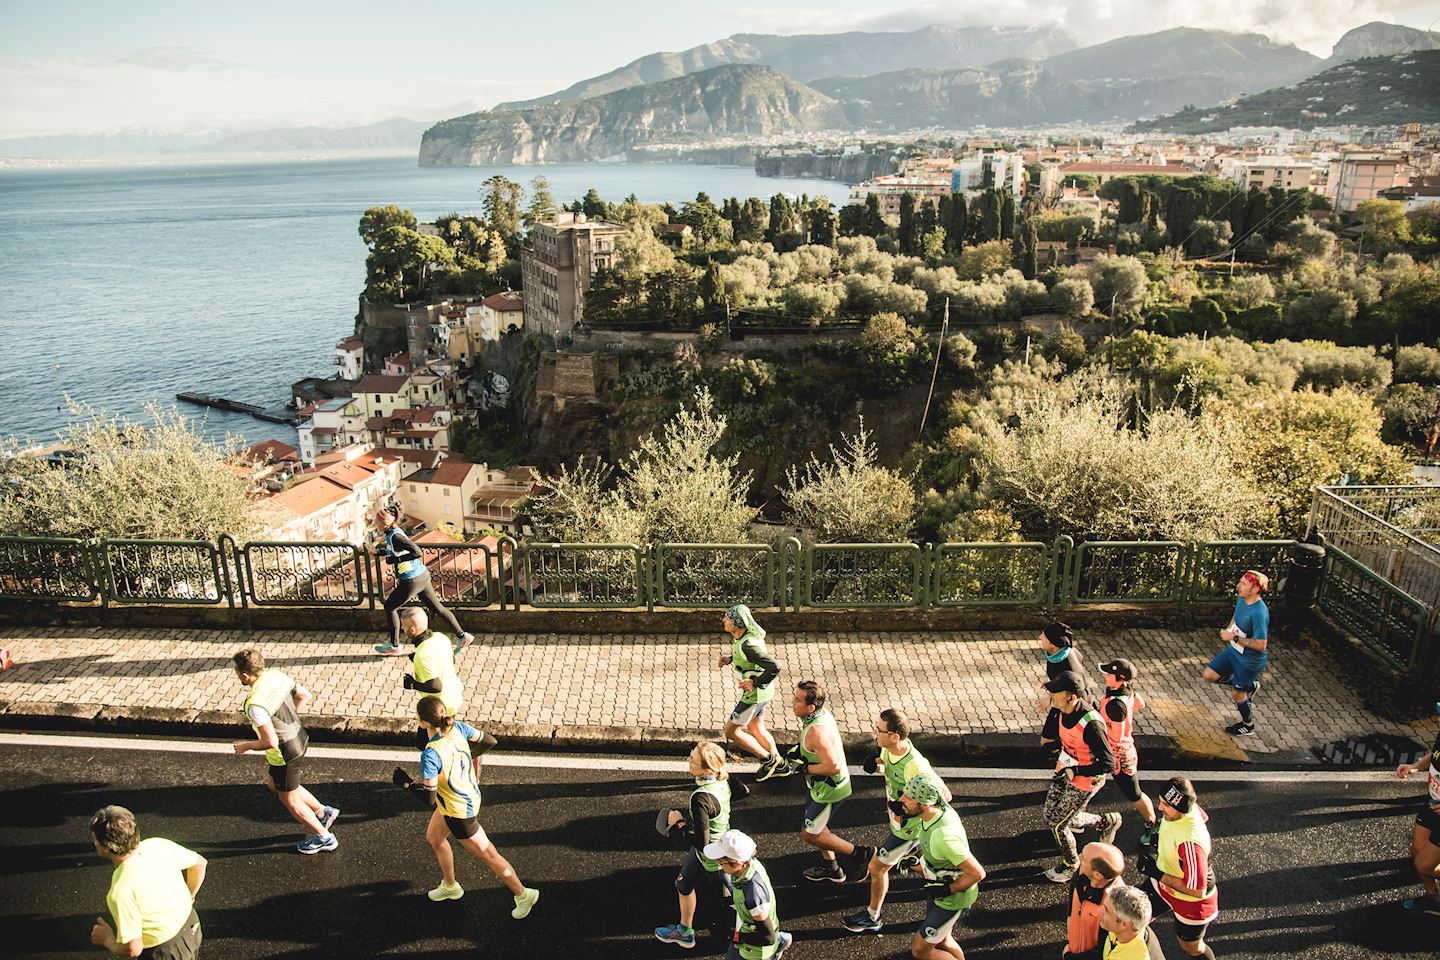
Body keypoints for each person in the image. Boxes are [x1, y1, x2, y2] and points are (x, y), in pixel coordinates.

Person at [392, 695, 539, 918]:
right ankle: (450, 886)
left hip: (459, 811)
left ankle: (522, 894)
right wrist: (468, 756)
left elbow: (429, 798)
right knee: (434, 838)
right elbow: (490, 741)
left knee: (489, 854)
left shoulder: (431, 754)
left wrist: (406, 784)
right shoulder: (458, 727)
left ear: (422, 722)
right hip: (459, 798)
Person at [843, 708, 951, 934]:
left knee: (877, 867)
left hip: (908, 829)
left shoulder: (915, 765)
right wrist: (877, 764)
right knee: (919, 865)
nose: (875, 734)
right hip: (900, 822)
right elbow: (887, 762)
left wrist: (904, 810)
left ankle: (873, 917)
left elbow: (943, 795)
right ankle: (949, 890)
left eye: (879, 730)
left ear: (894, 736)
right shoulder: (889, 748)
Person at [230, 648, 338, 854]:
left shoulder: (255, 704)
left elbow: (270, 741)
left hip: (285, 754)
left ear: (244, 675)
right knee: (274, 784)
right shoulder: (277, 676)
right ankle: (323, 812)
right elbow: (305, 695)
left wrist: (246, 746)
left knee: (289, 799)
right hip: (300, 737)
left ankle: (324, 837)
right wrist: (289, 720)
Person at [655, 741, 752, 948]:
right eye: (691, 755)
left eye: (693, 759)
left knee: (736, 902)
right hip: (708, 851)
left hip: (716, 859)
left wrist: (678, 822)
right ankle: (684, 931)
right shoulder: (721, 777)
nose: (689, 759)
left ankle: (765, 938)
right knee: (683, 885)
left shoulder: (701, 798)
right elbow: (744, 791)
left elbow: (702, 842)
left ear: (708, 768)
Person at [781, 679, 872, 883]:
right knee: (814, 824)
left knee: (809, 833)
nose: (792, 702)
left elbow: (833, 767)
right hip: (819, 788)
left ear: (810, 707)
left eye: (797, 700)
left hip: (830, 791)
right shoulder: (820, 715)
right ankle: (831, 867)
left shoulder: (816, 731)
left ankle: (860, 854)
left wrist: (803, 768)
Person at [89, 805, 206, 959]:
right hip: (191, 926)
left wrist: (108, 939)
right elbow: (200, 863)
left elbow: (133, 949)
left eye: (95, 839)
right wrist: (190, 896)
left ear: (106, 848)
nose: (94, 842)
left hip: (165, 951)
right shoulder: (157, 845)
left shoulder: (121, 892)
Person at [900, 775, 985, 960]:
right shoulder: (935, 812)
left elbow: (977, 873)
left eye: (908, 796)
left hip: (952, 899)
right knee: (943, 940)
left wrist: (948, 889)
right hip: (940, 890)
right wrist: (917, 863)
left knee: (920, 950)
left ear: (924, 803)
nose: (901, 799)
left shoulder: (943, 836)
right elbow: (939, 859)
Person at [1042, 671, 1116, 883]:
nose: (1052, 695)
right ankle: (1105, 822)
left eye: (1056, 692)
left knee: (1058, 824)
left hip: (1084, 780)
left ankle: (1071, 864)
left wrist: (1077, 771)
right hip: (1064, 770)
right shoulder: (1061, 710)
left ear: (1071, 696)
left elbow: (1108, 763)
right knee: (1050, 815)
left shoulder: (1092, 724)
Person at [398, 607, 498, 762]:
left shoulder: (423, 655)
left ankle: (446, 766)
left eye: (403, 627)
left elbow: (435, 686)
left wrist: (412, 684)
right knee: (442, 738)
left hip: (438, 704)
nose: (402, 630)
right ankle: (459, 758)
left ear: (411, 629)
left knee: (427, 743)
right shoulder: (440, 637)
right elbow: (448, 658)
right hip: (453, 696)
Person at [373, 508, 474, 657]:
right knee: (437, 608)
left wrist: (394, 560)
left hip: (411, 579)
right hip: (421, 575)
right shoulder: (393, 533)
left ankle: (394, 646)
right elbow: (399, 551)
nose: (375, 525)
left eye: (377, 522)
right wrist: (380, 553)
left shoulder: (395, 537)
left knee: (390, 607)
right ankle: (462, 636)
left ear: (385, 523)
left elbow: (417, 552)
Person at [1139, 777, 1219, 959]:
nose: (1160, 808)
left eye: (1165, 805)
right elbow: (1203, 818)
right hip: (1162, 886)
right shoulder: (1190, 809)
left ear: (1180, 807)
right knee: (1132, 920)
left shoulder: (1191, 844)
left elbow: (1197, 891)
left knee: (1191, 947)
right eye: (1160, 802)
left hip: (1191, 901)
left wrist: (1156, 873)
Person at [702, 829, 793, 960]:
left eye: (721, 862)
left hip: (756, 952)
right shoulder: (751, 864)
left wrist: (737, 937)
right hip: (747, 931)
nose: (718, 865)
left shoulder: (753, 897)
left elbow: (768, 938)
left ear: (737, 863)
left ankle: (775, 950)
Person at [716, 604, 783, 779]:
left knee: (730, 731)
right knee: (756, 727)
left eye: (728, 618)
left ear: (737, 624)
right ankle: (780, 764)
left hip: (755, 694)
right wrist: (730, 659)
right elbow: (749, 659)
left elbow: (775, 666)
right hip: (764, 692)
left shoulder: (748, 646)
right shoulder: (743, 637)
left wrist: (755, 683)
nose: (724, 620)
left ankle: (767, 759)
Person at [1201, 570, 1270, 736]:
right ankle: (1249, 686)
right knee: (1209, 675)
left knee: (1237, 695)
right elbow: (1236, 616)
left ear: (1254, 589)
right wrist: (1230, 628)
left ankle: (1248, 725)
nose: (1238, 586)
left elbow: (1261, 645)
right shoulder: (1242, 599)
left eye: (1243, 584)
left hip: (1249, 661)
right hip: (1234, 652)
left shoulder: (1259, 612)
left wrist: (1235, 637)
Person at [1097, 659, 1158, 838]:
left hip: (1118, 756)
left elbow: (1117, 736)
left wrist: (1100, 723)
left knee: (1134, 793)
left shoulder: (1116, 705)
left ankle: (1152, 822)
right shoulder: (1125, 690)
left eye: (1108, 674)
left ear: (1119, 678)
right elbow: (1140, 704)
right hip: (1113, 752)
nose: (1104, 676)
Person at [1395, 705, 1440, 915]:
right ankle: (1433, 898)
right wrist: (1414, 767)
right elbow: (1435, 755)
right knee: (1416, 850)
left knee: (1423, 865)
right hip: (1432, 805)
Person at [1064, 842, 1127, 958]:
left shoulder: (1113, 907)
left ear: (1097, 875)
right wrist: (1069, 917)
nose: (1079, 856)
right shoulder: (1083, 873)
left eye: (1084, 859)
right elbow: (1073, 890)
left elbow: (1102, 951)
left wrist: (1069, 956)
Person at [1071, 884, 1166, 960]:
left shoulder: (1137, 956)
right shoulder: (1125, 930)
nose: (1099, 911)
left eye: (1106, 910)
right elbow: (1102, 951)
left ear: (1125, 924)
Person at [1038, 622, 1087, 757]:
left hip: (1070, 706)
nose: (1040, 637)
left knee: (1047, 742)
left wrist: (1050, 698)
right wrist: (1053, 683)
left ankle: (1064, 767)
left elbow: (1075, 685)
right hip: (1062, 701)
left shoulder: (1067, 665)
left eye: (1044, 636)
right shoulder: (1061, 653)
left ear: (1053, 644)